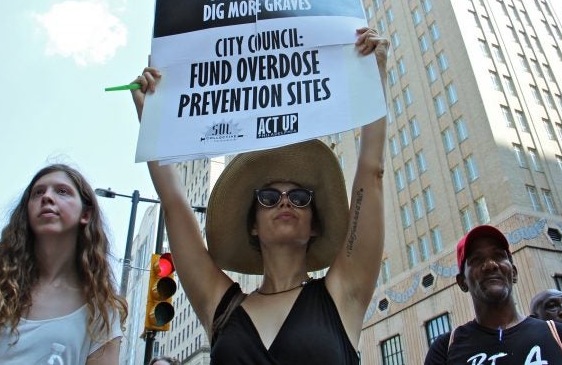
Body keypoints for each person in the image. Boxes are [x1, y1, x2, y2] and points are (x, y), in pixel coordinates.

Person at [131, 27, 388, 364]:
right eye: (268, 196)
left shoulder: (343, 293)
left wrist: (375, 75)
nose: (284, 201)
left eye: (299, 197)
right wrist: (152, 117)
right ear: (253, 224)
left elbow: (372, 169)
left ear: (314, 225)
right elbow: (175, 202)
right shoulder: (219, 305)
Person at [0, 164, 127, 364]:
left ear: (86, 215)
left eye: (62, 191)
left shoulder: (100, 313)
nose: (47, 197)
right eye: (38, 192)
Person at [425, 225, 562, 364]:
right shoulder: (445, 349)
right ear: (462, 282)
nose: (490, 265)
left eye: (499, 256)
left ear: (513, 273)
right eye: (477, 260)